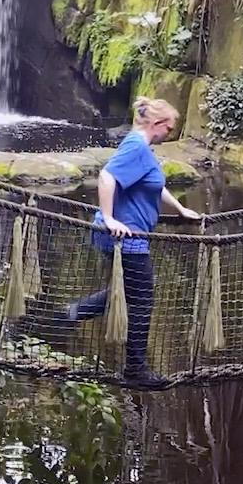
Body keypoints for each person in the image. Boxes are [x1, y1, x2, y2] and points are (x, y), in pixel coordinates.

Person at [65, 96, 199, 386]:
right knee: (142, 300)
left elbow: (153, 185)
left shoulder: (141, 147)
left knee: (124, 292)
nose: (169, 134)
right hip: (126, 239)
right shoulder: (136, 146)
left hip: (127, 238)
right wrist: (110, 218)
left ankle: (70, 314)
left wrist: (180, 209)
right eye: (169, 128)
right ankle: (135, 369)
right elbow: (107, 176)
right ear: (156, 124)